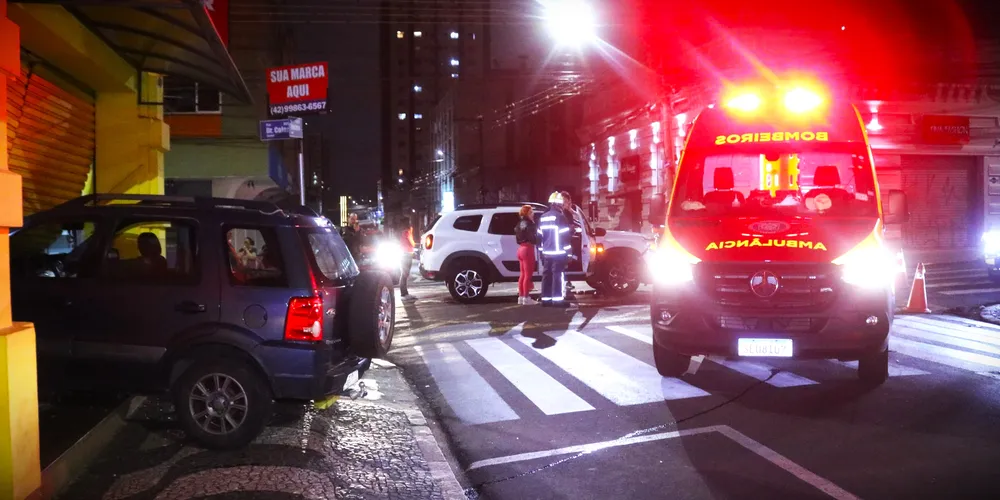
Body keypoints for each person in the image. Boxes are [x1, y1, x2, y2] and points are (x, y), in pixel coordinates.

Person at [537, 192, 572, 307]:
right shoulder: (561, 217)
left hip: (546, 253)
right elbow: (565, 237)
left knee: (546, 276)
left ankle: (546, 300)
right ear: (557, 204)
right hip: (559, 253)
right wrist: (568, 253)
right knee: (558, 276)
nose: (562, 206)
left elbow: (539, 237)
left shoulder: (542, 217)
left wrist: (541, 252)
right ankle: (557, 301)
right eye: (561, 204)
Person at [514, 204, 539, 306]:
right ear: (527, 213)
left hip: (520, 249)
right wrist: (539, 239)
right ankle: (526, 297)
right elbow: (533, 239)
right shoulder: (530, 224)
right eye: (531, 212)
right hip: (528, 249)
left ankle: (521, 297)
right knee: (528, 275)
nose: (533, 214)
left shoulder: (518, 224)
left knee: (522, 275)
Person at [399, 217, 417, 301]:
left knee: (404, 274)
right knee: (404, 274)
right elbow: (412, 243)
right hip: (406, 255)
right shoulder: (407, 232)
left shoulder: (402, 232)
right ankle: (404, 293)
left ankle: (404, 293)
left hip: (403, 254)